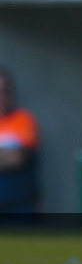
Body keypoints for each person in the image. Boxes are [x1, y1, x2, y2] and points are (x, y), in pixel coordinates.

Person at [0, 68, 39, 214]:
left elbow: (17, 158)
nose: (1, 97)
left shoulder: (23, 120)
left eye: (5, 91)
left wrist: (10, 157)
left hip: (19, 209)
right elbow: (8, 157)